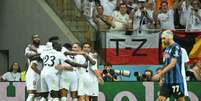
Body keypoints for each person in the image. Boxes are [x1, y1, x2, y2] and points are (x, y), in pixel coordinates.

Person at [152, 30, 186, 101]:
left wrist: (160, 74)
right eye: (162, 38)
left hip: (176, 81)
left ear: (169, 38)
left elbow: (172, 64)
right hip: (167, 81)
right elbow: (165, 64)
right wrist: (162, 77)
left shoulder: (176, 47)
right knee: (161, 99)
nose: (162, 40)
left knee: (180, 99)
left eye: (164, 38)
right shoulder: (166, 49)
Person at [25, 34, 43, 101]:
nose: (37, 38)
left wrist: (38, 54)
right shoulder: (28, 48)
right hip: (32, 73)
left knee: (38, 95)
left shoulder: (42, 47)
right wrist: (40, 54)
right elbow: (29, 56)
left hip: (40, 72)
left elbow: (43, 55)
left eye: (38, 37)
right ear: (32, 39)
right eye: (35, 37)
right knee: (31, 94)